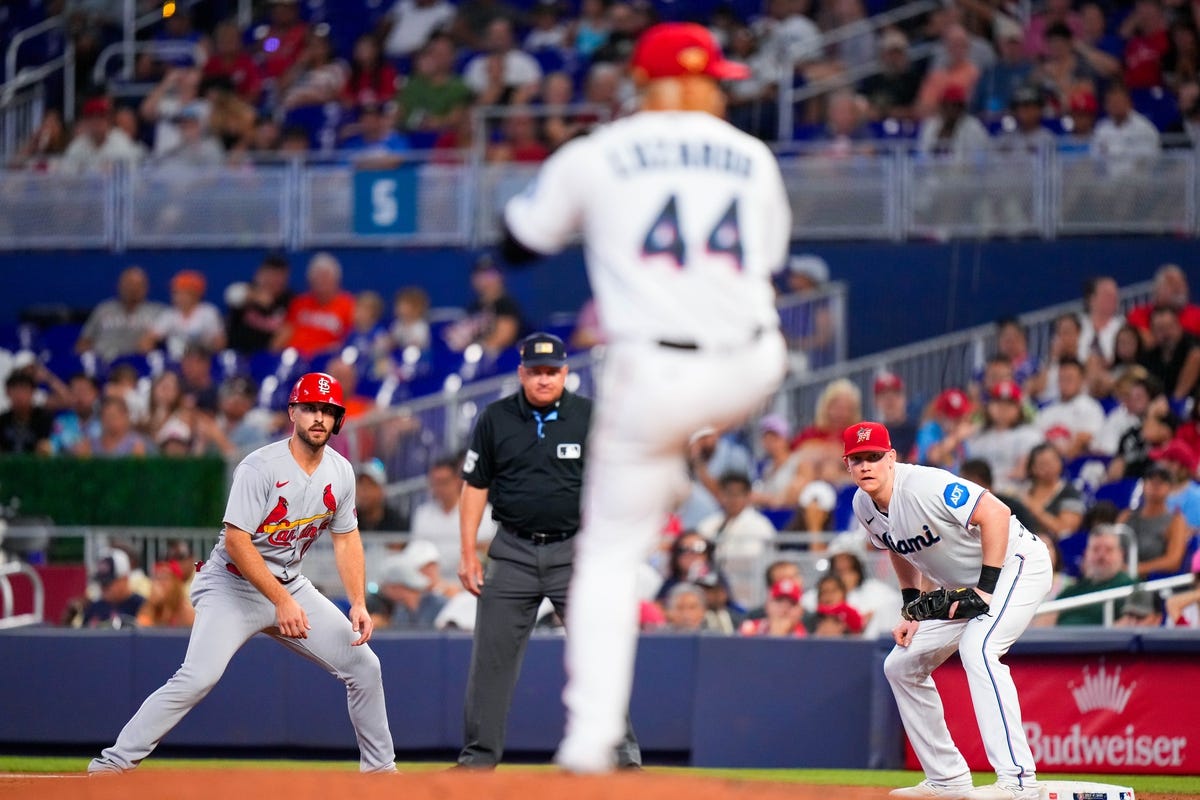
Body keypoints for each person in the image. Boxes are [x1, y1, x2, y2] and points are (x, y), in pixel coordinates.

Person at [497, 22, 791, 774]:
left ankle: (590, 743)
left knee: (607, 552)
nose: (717, 90)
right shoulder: (752, 158)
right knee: (656, 462)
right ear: (676, 83)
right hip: (753, 364)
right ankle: (681, 465)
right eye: (709, 78)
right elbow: (773, 257)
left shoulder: (596, 154)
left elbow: (521, 241)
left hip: (658, 378)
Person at [87, 372, 397, 775]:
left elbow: (346, 539)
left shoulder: (341, 472)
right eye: (310, 408)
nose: (319, 417)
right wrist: (281, 600)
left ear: (338, 419)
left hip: (290, 582)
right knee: (198, 677)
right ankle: (112, 764)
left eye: (328, 410)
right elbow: (238, 541)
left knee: (365, 667)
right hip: (231, 584)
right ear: (292, 412)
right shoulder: (261, 465)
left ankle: (380, 773)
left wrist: (357, 601)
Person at [455, 333, 641, 770]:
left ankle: (625, 761)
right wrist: (467, 552)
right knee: (490, 663)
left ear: (565, 373)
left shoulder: (590, 416)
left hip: (575, 554)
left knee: (598, 658)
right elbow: (475, 485)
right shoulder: (495, 418)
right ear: (521, 373)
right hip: (512, 551)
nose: (543, 379)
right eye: (535, 371)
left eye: (551, 371)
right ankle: (477, 763)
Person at [844, 421, 1051, 800]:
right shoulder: (864, 505)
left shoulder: (925, 485)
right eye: (857, 460)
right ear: (848, 466)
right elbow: (896, 545)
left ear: (891, 458)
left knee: (979, 648)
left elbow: (997, 513)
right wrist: (911, 609)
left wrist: (984, 591)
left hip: (1016, 564)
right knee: (900, 665)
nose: (866, 466)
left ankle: (1019, 782)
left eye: (873, 457)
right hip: (963, 584)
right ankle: (947, 779)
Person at [410, 455, 497, 572]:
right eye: (434, 483)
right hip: (431, 580)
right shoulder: (423, 513)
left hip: (471, 578)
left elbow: (486, 548)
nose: (438, 488)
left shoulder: (482, 511)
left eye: (443, 482)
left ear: (457, 480)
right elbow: (417, 550)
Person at [76, 266, 166, 363]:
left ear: (146, 288)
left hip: (139, 364)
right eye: (129, 284)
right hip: (103, 362)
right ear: (119, 286)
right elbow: (84, 341)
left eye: (137, 285)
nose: (132, 289)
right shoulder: (103, 309)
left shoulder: (157, 312)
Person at [1052, 526, 1137, 625]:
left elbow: (1134, 624)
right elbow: (1045, 621)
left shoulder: (1130, 587)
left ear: (1121, 554)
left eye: (1108, 550)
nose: (1101, 556)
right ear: (1086, 554)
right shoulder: (1072, 590)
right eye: (1095, 549)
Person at [80, 551, 147, 628]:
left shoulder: (142, 606)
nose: (103, 588)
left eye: (107, 583)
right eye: (101, 583)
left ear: (124, 579)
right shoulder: (94, 607)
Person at [0, 371, 53, 455]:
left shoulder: (44, 418)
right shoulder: (2, 420)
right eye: (15, 390)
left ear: (33, 392)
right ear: (7, 393)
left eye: (24, 390)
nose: (19, 396)